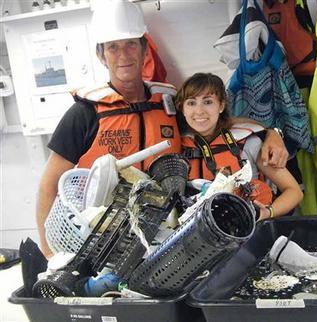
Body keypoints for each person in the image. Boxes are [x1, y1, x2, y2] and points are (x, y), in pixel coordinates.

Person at [36, 0, 288, 258]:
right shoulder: (84, 113)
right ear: (101, 56)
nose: (123, 56)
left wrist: (270, 134)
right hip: (102, 235)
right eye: (113, 48)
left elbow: (210, 120)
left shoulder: (167, 104)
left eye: (131, 44)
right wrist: (49, 254)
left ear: (145, 50)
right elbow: (49, 185)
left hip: (163, 233)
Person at [176, 73, 303, 220]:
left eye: (208, 102)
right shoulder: (175, 147)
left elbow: (294, 191)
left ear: (221, 106)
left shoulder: (248, 143)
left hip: (248, 230)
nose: (199, 111)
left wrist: (265, 213)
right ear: (182, 109)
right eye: (191, 103)